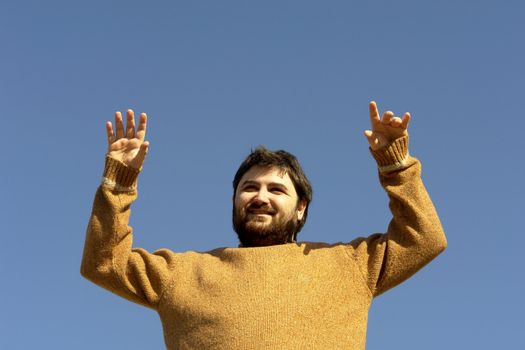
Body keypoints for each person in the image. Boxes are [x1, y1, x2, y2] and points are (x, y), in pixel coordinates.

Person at [81, 101, 446, 349]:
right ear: (234, 201)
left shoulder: (349, 266)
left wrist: (396, 165)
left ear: (301, 208)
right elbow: (104, 262)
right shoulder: (183, 274)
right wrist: (120, 180)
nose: (260, 196)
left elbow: (423, 238)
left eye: (276, 189)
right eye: (249, 188)